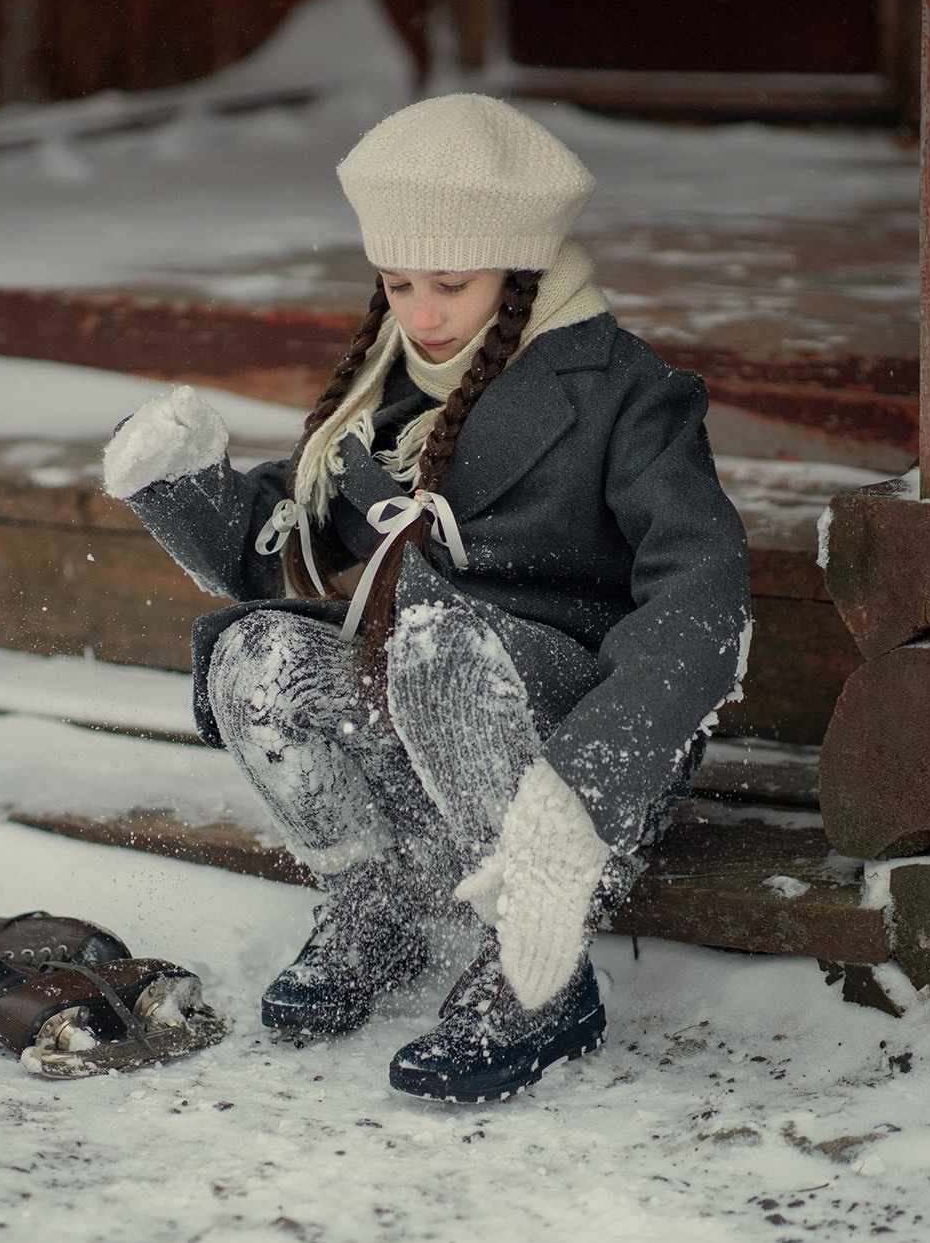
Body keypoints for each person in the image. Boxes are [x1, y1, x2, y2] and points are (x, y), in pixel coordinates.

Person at [100, 94, 750, 1103]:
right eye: (397, 283)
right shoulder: (381, 396)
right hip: (422, 713)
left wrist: (583, 790)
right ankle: (381, 896)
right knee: (254, 653)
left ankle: (541, 973)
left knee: (437, 642)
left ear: (519, 267)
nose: (422, 313)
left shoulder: (623, 391)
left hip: (569, 749)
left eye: (451, 282)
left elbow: (701, 600)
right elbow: (289, 560)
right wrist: (183, 489)